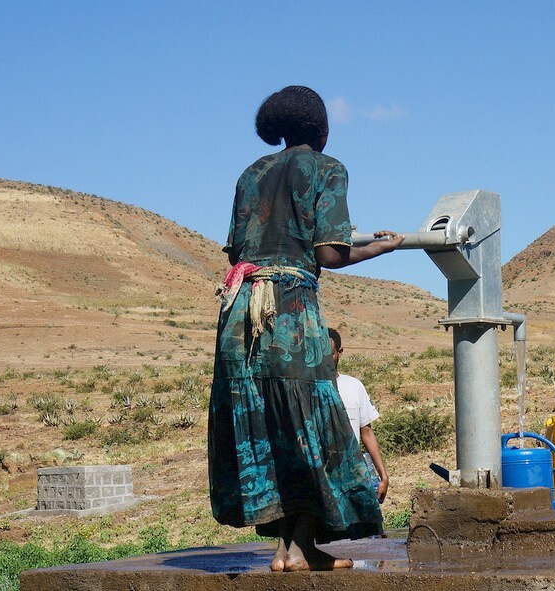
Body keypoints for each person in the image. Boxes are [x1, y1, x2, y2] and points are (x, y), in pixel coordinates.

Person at [208, 85, 404, 572]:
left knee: (268, 427)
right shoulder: (327, 168)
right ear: (321, 127)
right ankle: (301, 549)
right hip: (290, 312)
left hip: (240, 313)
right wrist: (381, 248)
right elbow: (329, 254)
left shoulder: (251, 173)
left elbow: (239, 253)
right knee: (309, 423)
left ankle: (288, 548)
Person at [328, 327, 389, 504]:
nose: (326, 359)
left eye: (330, 354)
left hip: (353, 472)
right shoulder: (308, 389)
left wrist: (383, 475)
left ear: (340, 353)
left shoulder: (354, 386)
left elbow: (366, 432)